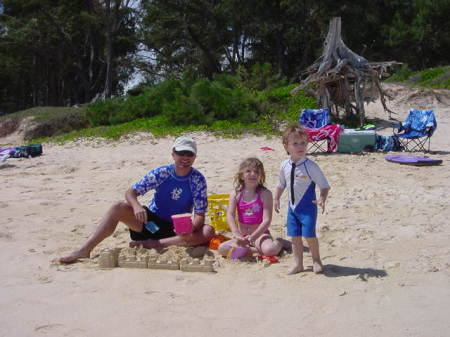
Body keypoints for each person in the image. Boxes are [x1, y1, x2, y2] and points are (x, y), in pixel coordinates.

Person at [59, 136, 215, 263]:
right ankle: (85, 249)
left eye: (189, 154)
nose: (185, 158)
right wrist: (137, 206)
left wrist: (191, 228)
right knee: (118, 207)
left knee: (208, 230)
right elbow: (130, 192)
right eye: (181, 153)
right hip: (151, 224)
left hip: (177, 230)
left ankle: (155, 244)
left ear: (195, 157)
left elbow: (200, 214)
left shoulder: (197, 179)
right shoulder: (161, 173)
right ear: (173, 154)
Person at [274, 124, 330, 275]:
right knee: (295, 237)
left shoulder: (311, 166)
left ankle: (316, 260)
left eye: (303, 143)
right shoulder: (284, 165)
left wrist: (322, 199)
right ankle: (298, 263)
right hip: (292, 209)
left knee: (309, 235)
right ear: (286, 147)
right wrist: (277, 198)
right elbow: (281, 183)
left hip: (308, 208)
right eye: (295, 143)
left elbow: (324, 186)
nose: (300, 146)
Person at [218, 157, 282, 258]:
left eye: (256, 172)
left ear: (261, 176)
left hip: (259, 235)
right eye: (248, 171)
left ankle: (279, 242)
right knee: (222, 249)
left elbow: (267, 220)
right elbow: (230, 215)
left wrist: (254, 236)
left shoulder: (265, 194)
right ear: (242, 176)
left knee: (271, 250)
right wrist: (236, 233)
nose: (253, 174)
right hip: (242, 237)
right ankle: (255, 250)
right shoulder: (236, 194)